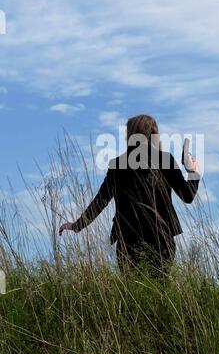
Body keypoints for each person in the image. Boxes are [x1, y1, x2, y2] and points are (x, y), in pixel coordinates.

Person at [59, 114, 200, 277]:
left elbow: (101, 200)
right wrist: (193, 172)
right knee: (160, 293)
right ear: (154, 133)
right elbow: (188, 196)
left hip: (127, 240)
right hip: (162, 239)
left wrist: (77, 225)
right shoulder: (165, 160)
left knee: (133, 292)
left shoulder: (118, 165)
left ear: (130, 134)